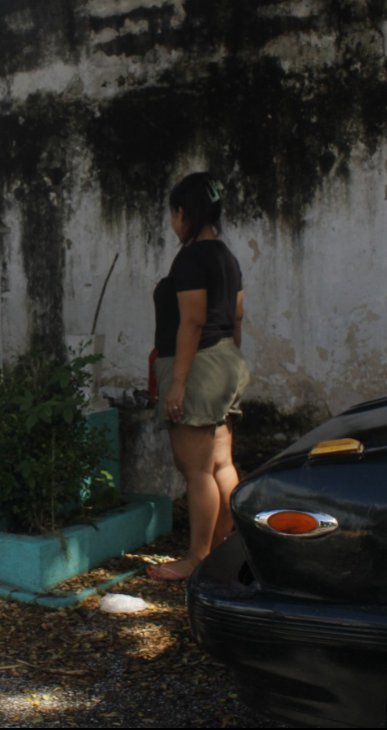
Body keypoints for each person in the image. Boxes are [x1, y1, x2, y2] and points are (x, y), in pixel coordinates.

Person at [147, 172, 250, 581]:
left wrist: (178, 382)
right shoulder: (227, 257)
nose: (174, 223)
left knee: (195, 471)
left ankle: (197, 559)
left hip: (198, 364)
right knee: (221, 463)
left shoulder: (190, 258)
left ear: (183, 212)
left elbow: (191, 322)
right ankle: (226, 549)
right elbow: (237, 316)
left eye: (174, 214)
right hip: (225, 359)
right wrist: (229, 365)